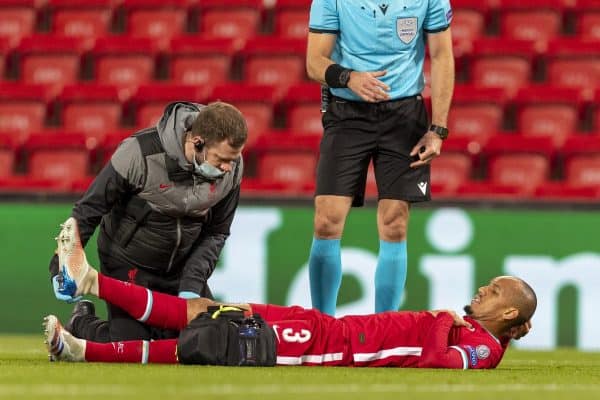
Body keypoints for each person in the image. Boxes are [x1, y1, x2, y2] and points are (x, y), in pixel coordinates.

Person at [45, 219, 535, 369]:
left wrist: (442, 322)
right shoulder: (484, 333)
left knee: (213, 340)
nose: (481, 290)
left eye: (493, 291)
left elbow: (441, 364)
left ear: (509, 310)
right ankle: (87, 281)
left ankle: (85, 349)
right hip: (328, 328)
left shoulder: (479, 346)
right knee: (208, 311)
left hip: (330, 347)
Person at [48, 101, 248, 343]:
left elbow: (217, 233)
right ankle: (79, 323)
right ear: (198, 143)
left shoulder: (233, 168)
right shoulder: (138, 153)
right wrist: (60, 266)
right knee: (130, 344)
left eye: (233, 159)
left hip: (180, 269)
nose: (228, 167)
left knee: (203, 343)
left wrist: (191, 286)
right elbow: (89, 209)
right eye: (221, 159)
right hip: (129, 262)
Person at [305, 1, 455, 314]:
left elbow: (442, 56)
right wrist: (349, 78)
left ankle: (383, 328)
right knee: (327, 220)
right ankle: (323, 325)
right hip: (347, 113)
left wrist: (438, 128)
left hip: (404, 114)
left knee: (395, 223)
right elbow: (314, 62)